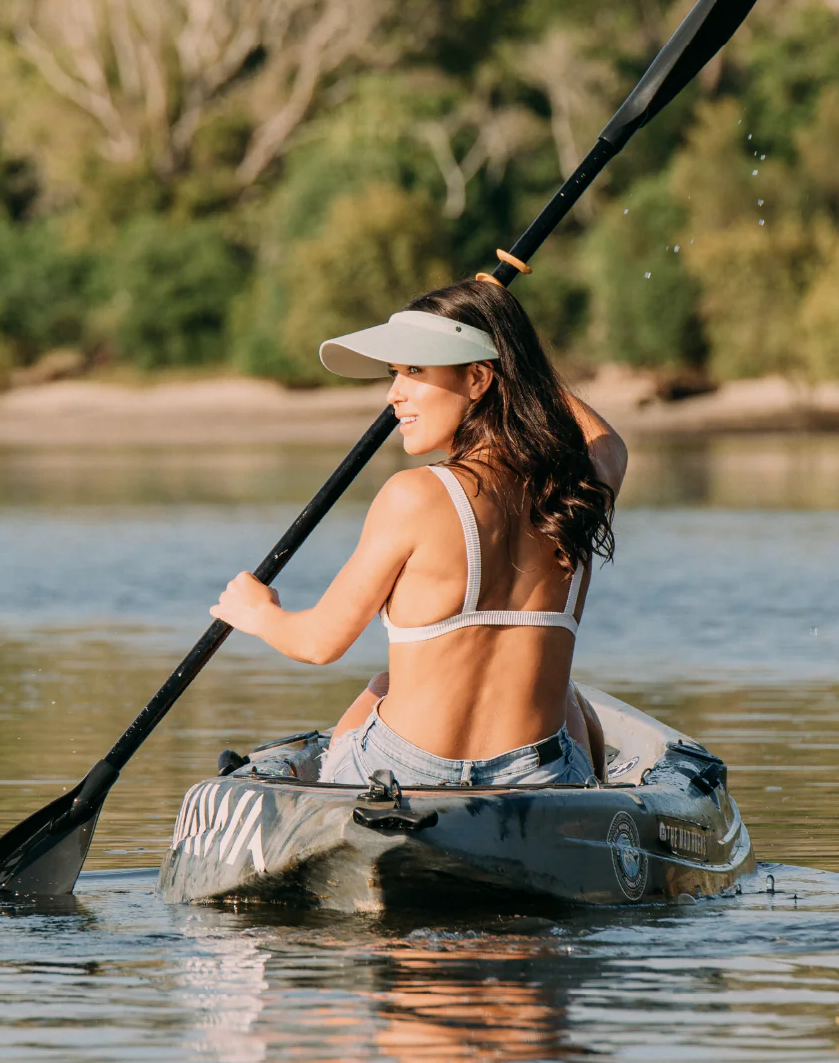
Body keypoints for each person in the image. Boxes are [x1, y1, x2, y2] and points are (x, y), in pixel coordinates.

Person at [211, 279, 627, 788]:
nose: (393, 394)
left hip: (407, 775)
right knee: (569, 704)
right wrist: (516, 353)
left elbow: (319, 643)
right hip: (537, 777)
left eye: (414, 370)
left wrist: (259, 612)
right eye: (394, 373)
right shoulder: (580, 488)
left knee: (378, 692)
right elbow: (608, 443)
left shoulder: (414, 495)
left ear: (478, 378)